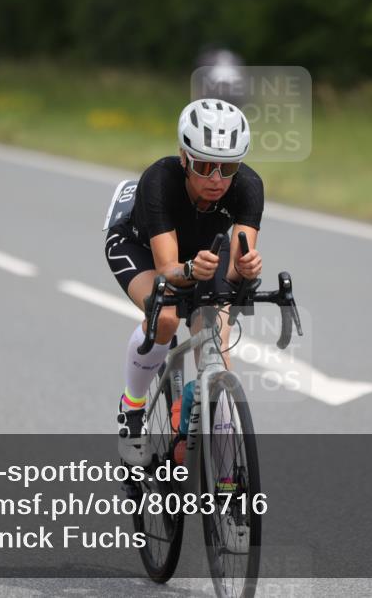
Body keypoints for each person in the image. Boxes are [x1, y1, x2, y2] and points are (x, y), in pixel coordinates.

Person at [104, 99, 264, 468]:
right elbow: (167, 271)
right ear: (183, 157)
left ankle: (225, 474)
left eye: (228, 168)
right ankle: (132, 408)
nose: (216, 180)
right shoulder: (160, 180)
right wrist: (190, 272)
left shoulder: (249, 187)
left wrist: (246, 268)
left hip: (202, 253)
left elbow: (235, 270)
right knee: (166, 314)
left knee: (216, 344)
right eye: (205, 166)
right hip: (141, 246)